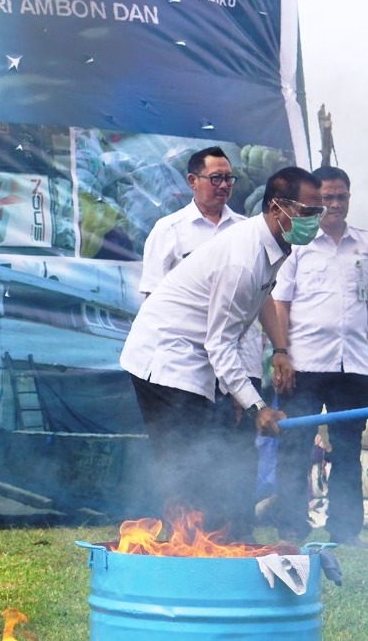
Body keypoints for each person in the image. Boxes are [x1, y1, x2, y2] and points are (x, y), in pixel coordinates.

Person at [120, 166, 323, 535]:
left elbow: (235, 326)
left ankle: (209, 541)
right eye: (307, 212)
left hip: (196, 358)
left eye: (318, 212)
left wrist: (236, 389)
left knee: (208, 454)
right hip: (166, 358)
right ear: (278, 208)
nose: (314, 220)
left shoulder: (274, 246)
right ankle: (181, 547)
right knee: (185, 461)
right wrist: (257, 407)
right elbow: (220, 341)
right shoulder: (243, 259)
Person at [137, 146, 264, 538]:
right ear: (192, 181)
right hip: (184, 365)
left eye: (229, 178)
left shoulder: (246, 231)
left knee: (238, 449)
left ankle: (236, 534)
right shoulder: (169, 231)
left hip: (236, 360)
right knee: (182, 450)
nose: (224, 186)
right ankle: (181, 534)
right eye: (216, 178)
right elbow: (154, 302)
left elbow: (260, 303)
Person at [267, 166, 368, 546]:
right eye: (327, 197)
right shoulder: (297, 245)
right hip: (303, 364)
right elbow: (280, 302)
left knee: (347, 448)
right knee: (294, 445)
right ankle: (291, 527)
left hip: (355, 365)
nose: (335, 204)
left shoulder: (364, 244)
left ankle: (345, 531)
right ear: (315, 201)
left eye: (341, 196)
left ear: (349, 198)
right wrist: (281, 353)